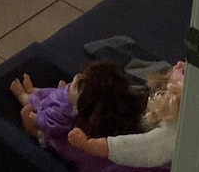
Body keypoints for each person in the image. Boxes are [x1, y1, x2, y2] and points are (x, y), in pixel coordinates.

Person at [67, 61, 185, 167]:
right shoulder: (157, 97)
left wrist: (95, 146)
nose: (179, 64)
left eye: (184, 72)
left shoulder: (176, 124)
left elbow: (148, 147)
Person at [10, 61, 146, 146]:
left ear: (78, 108)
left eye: (77, 86)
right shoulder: (111, 100)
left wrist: (39, 118)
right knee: (56, 92)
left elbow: (53, 127)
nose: (77, 77)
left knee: (27, 112)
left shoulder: (65, 115)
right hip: (65, 101)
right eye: (82, 76)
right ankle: (32, 91)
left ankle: (32, 123)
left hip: (56, 133)